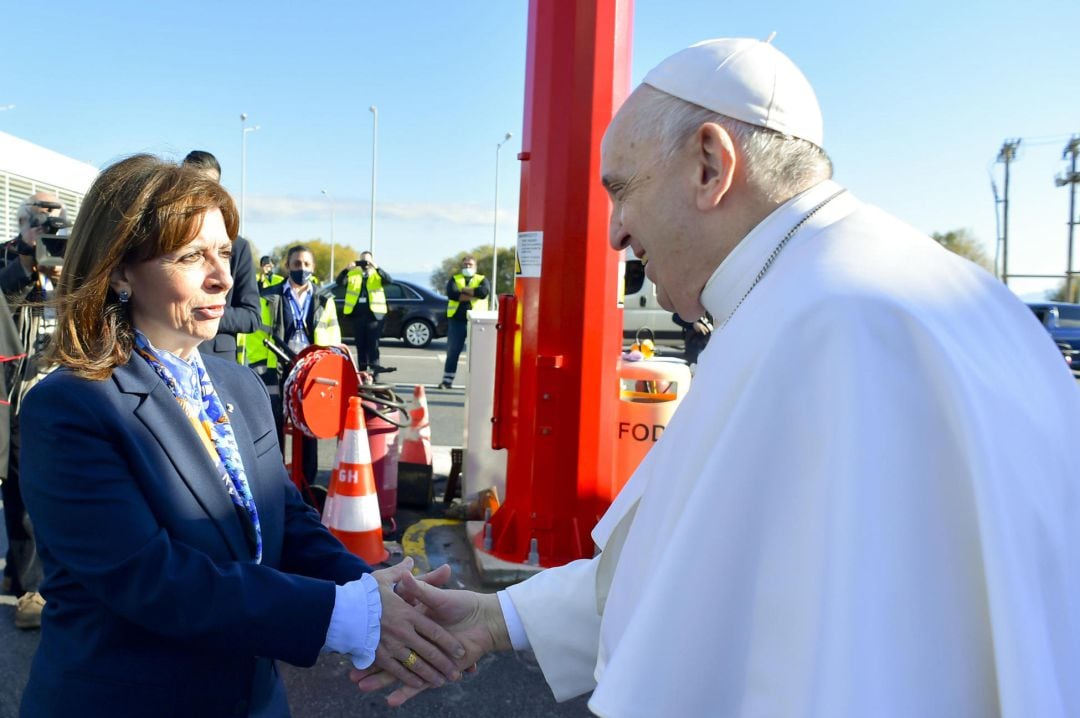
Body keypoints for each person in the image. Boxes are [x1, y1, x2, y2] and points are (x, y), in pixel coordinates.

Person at [353, 37, 1080, 716]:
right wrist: (498, 616)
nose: (615, 232)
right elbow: (694, 563)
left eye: (622, 189)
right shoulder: (898, 290)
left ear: (710, 165)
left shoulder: (827, 323)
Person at [18, 155, 466, 716]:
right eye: (191, 256)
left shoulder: (239, 383)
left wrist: (375, 591)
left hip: (253, 698)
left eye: (225, 252)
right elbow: (150, 579)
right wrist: (347, 616)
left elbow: (285, 515)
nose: (223, 278)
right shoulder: (70, 406)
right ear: (119, 270)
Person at [0, 191, 69, 630]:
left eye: (55, 220)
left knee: (64, 493)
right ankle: (26, 585)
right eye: (40, 221)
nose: (49, 228)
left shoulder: (71, 259)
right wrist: (26, 258)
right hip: (23, 394)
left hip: (65, 390)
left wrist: (65, 275)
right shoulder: (9, 256)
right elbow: (4, 297)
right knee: (23, 496)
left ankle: (46, 579)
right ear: (24, 221)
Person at [261, 244, 341, 485]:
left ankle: (306, 484)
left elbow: (333, 338)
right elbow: (259, 336)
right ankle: (273, 482)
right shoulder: (270, 296)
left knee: (308, 427)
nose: (301, 269)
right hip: (279, 366)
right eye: (296, 264)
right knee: (273, 426)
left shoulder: (324, 299)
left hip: (310, 370)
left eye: (306, 264)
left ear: (313, 268)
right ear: (287, 267)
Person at [182, 150, 261, 363]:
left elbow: (252, 317)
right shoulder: (167, 242)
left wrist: (203, 310)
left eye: (207, 187)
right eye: (190, 184)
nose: (199, 194)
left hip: (216, 361)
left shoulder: (239, 246)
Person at [439, 256, 489, 389]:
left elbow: (483, 292)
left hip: (478, 322)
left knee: (479, 353)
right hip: (457, 320)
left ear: (475, 267)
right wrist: (473, 293)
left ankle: (479, 384)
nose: (467, 267)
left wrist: (463, 291)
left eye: (470, 265)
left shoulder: (481, 279)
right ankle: (447, 381)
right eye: (465, 265)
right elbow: (452, 294)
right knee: (453, 351)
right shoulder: (455, 279)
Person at [342, 250, 391, 373]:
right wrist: (346, 270)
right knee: (360, 347)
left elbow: (389, 280)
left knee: (373, 347)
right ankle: (363, 373)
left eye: (367, 260)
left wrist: (376, 267)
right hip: (358, 316)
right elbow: (340, 282)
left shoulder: (377, 274)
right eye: (362, 260)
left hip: (374, 317)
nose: (365, 263)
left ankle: (375, 373)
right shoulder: (353, 274)